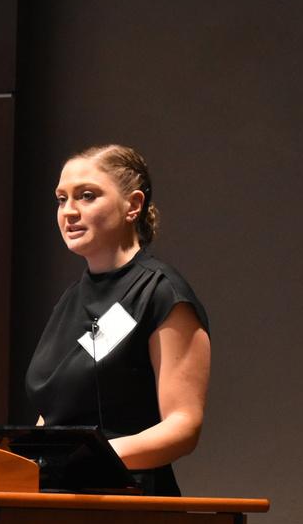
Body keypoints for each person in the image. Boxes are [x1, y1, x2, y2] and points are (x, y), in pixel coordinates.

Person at [25, 144, 211, 496]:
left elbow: (183, 425)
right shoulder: (69, 300)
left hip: (127, 500)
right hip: (58, 499)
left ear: (133, 205)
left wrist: (91, 457)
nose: (69, 211)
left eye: (87, 196)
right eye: (62, 199)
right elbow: (55, 414)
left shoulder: (160, 293)